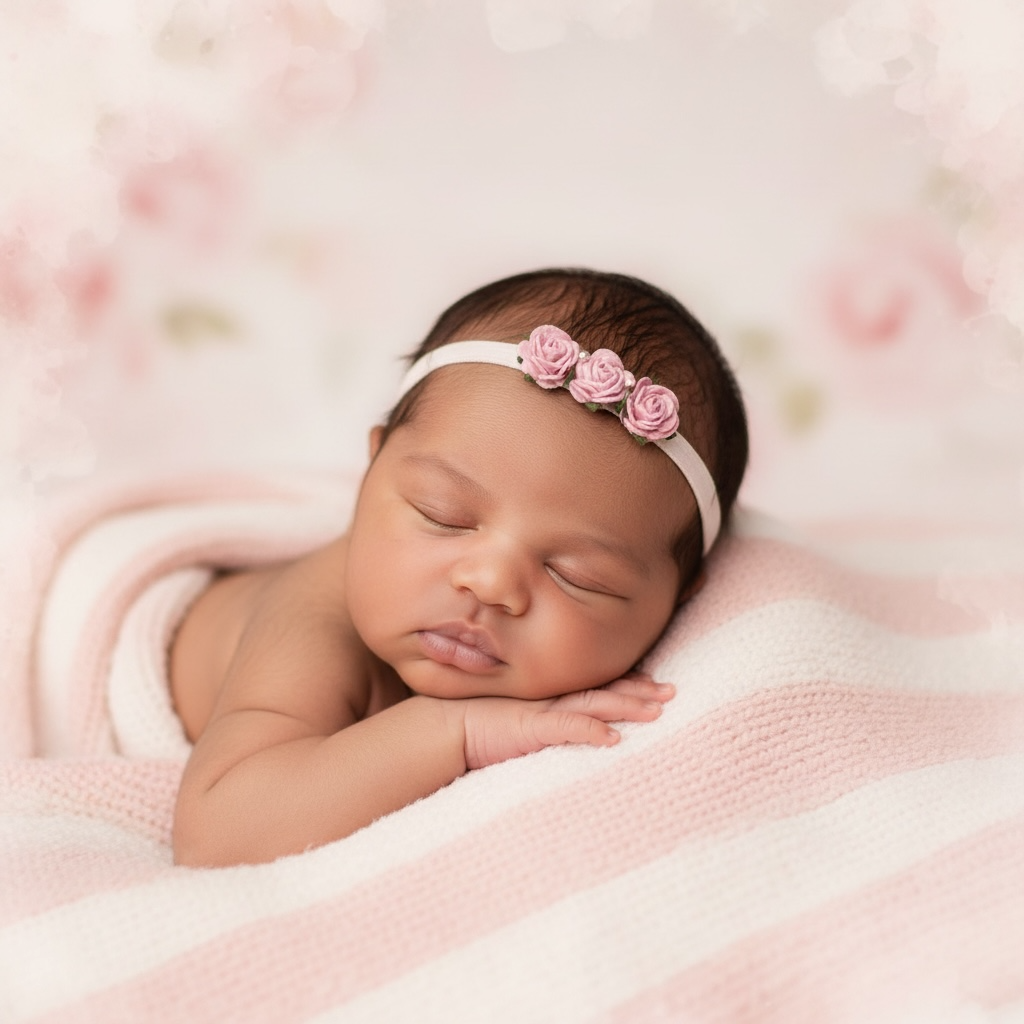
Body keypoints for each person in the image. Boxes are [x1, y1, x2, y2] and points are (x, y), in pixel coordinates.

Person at [170, 267, 749, 867]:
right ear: (371, 473)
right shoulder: (314, 622)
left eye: (576, 575)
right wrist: (457, 733)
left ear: (681, 600)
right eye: (442, 515)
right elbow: (218, 834)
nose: (489, 583)